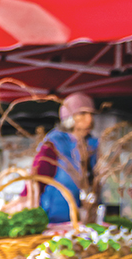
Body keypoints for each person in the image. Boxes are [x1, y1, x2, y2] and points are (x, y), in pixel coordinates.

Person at [28, 92, 99, 223]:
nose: (89, 119)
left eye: (91, 114)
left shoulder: (92, 145)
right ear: (69, 117)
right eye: (82, 114)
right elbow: (36, 178)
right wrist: (25, 202)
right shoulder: (53, 144)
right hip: (54, 217)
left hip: (84, 216)